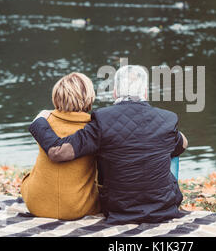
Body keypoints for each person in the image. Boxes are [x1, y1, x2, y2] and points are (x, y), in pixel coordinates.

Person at [29, 65, 188, 224]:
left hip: (119, 209)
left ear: (115, 93)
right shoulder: (168, 118)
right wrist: (166, 130)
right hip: (164, 207)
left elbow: (61, 152)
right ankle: (163, 196)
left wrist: (39, 121)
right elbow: (183, 145)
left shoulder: (102, 120)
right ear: (145, 92)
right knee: (172, 150)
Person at [21, 72, 100, 220]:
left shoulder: (44, 121)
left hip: (36, 204)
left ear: (56, 96)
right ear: (89, 97)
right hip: (78, 208)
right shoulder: (94, 129)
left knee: (29, 177)